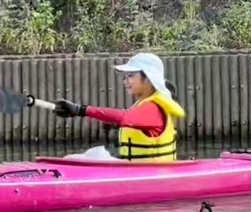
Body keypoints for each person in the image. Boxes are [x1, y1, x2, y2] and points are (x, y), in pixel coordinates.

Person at [53, 52, 186, 162]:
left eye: (130, 76)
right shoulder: (143, 103)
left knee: (73, 159)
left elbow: (124, 117)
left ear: (148, 79)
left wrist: (80, 110)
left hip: (152, 172)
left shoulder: (154, 107)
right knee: (76, 157)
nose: (125, 81)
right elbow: (131, 120)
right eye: (125, 77)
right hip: (135, 167)